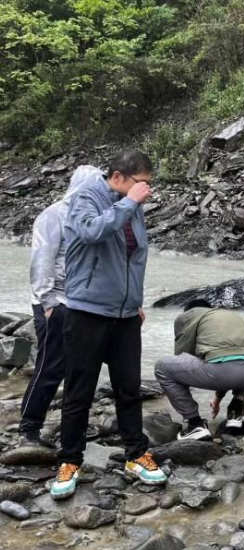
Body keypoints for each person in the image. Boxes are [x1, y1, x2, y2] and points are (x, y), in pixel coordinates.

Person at [50, 152, 166, 500]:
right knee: (78, 392)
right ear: (118, 177)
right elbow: (89, 233)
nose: (146, 188)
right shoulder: (86, 198)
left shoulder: (133, 204)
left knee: (129, 388)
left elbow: (134, 258)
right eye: (141, 180)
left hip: (125, 316)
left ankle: (135, 454)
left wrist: (133, 302)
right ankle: (70, 460)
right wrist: (129, 203)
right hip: (86, 312)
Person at [19, 169, 88, 446]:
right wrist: (47, 303)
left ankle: (70, 428)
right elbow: (42, 260)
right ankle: (29, 427)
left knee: (79, 368)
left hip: (81, 303)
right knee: (50, 367)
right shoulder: (54, 215)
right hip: (54, 302)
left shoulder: (88, 216)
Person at [155, 299, 244, 440]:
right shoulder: (228, 315)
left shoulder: (188, 316)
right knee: (239, 357)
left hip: (223, 372)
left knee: (163, 367)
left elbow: (183, 355)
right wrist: (218, 398)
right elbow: (230, 355)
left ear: (189, 311)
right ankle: (235, 416)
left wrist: (180, 393)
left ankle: (195, 425)